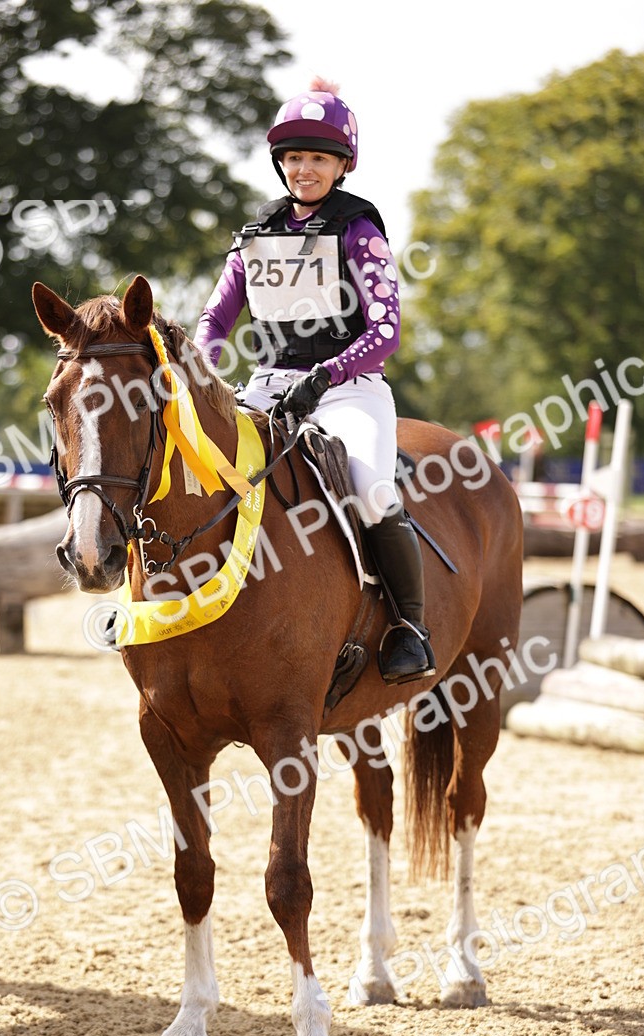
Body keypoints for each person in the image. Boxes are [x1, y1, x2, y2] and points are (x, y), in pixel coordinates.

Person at [194, 80, 434, 685]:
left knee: (373, 490)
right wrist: (198, 372)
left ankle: (410, 626)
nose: (305, 169)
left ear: (341, 165)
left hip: (350, 388)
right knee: (207, 470)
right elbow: (217, 318)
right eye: (295, 157)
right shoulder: (256, 235)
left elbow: (386, 331)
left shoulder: (359, 230)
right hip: (268, 385)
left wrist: (326, 375)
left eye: (318, 158)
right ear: (281, 163)